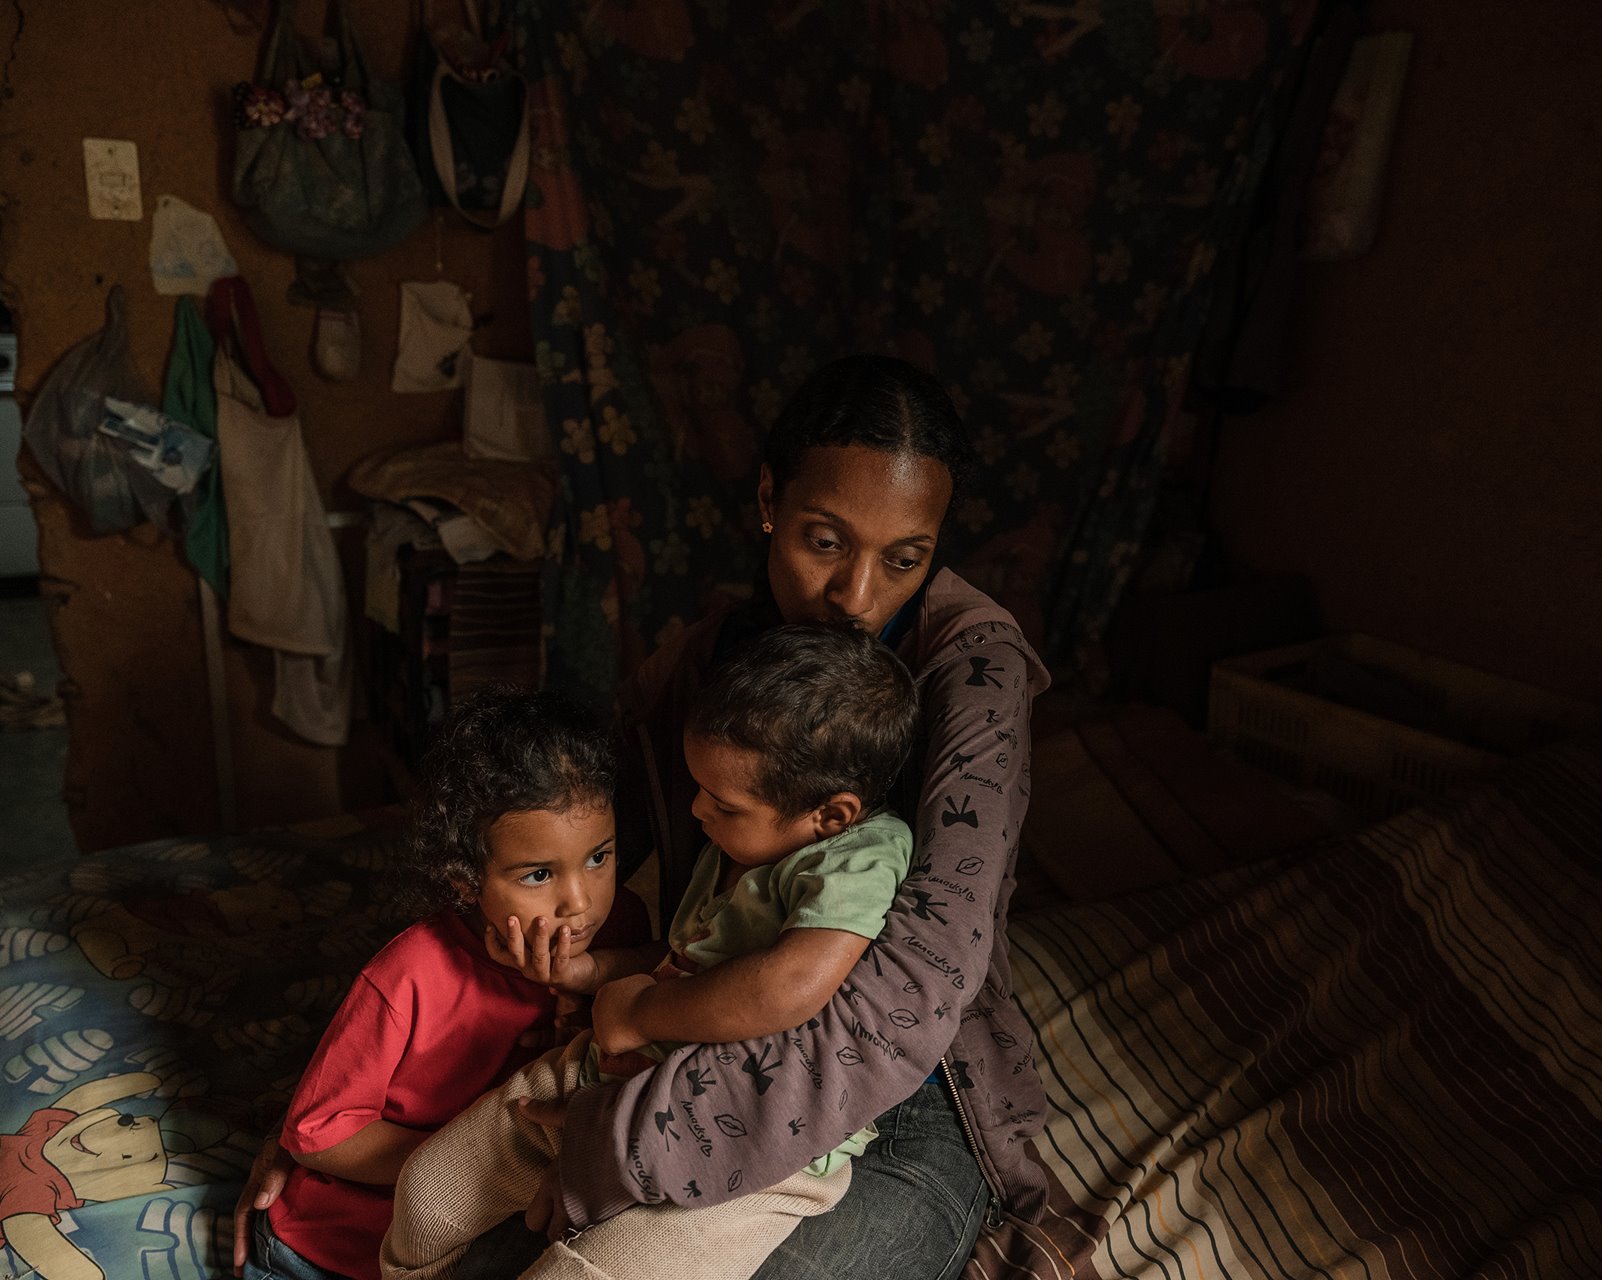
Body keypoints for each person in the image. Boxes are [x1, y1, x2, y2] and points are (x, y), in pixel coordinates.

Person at [237, 353, 1053, 1280]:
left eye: (904, 559)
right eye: (824, 541)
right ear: (768, 503)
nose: (857, 597)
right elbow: (539, 833)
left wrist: (640, 1139)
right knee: (453, 1234)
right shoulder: (707, 665)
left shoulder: (972, 673)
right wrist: (321, 1125)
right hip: (681, 1032)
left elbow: (910, 995)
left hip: (902, 1097)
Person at [381, 622, 922, 1280]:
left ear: (831, 816)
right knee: (427, 1195)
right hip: (615, 1072)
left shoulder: (859, 854)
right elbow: (675, 963)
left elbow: (793, 985)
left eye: (722, 803)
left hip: (748, 1138)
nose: (696, 810)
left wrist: (641, 1015)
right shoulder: (734, 847)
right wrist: (589, 974)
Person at [242, 688, 648, 1280]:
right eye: (537, 874)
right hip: (331, 1249)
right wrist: (475, 1165)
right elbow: (315, 1133)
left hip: (459, 1241)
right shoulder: (410, 976)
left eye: (598, 857)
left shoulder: (623, 929)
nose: (580, 902)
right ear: (465, 881)